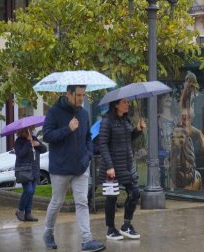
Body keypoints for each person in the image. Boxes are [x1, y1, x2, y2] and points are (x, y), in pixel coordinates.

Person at [42, 85, 105, 251]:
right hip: (60, 168)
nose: (81, 98)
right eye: (78, 95)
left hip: (81, 167)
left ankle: (86, 240)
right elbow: (47, 136)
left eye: (83, 95)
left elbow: (88, 137)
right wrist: (67, 129)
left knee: (82, 202)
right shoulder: (54, 112)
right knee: (56, 202)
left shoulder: (83, 114)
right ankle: (48, 233)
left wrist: (88, 155)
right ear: (68, 94)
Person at [98, 97, 146, 241]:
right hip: (112, 167)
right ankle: (111, 229)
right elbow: (103, 145)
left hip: (127, 166)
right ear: (116, 104)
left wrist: (137, 130)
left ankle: (126, 225)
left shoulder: (126, 120)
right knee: (112, 198)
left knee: (135, 193)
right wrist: (109, 166)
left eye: (128, 102)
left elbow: (128, 138)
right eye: (124, 102)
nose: (127, 104)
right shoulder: (107, 121)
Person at [14, 126, 47, 222]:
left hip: (35, 169)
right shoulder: (19, 141)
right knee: (28, 190)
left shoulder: (34, 139)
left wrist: (37, 144)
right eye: (30, 130)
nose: (32, 132)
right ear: (23, 131)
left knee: (31, 192)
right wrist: (29, 143)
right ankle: (20, 210)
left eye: (32, 130)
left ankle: (28, 213)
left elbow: (44, 149)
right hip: (24, 170)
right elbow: (20, 154)